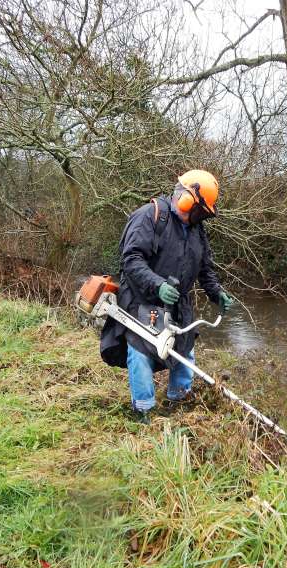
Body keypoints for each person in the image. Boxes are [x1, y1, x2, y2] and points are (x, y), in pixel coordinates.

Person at [100, 170, 235, 423]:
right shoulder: (149, 216)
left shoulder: (196, 230)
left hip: (177, 302)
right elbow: (131, 259)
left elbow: (205, 268)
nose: (199, 218)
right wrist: (158, 284)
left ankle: (179, 399)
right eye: (198, 212)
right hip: (142, 299)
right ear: (186, 200)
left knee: (184, 348)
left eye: (203, 214)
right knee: (141, 352)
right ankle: (144, 410)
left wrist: (216, 292)